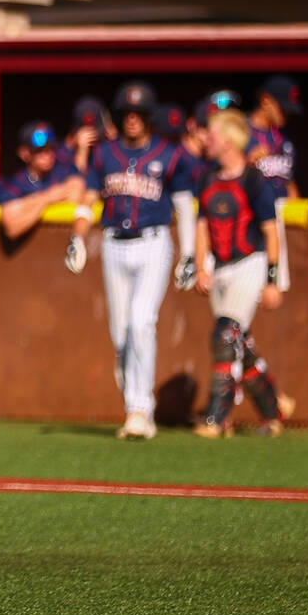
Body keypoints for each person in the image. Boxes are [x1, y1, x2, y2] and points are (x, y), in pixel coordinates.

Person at [64, 79, 197, 440]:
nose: (133, 119)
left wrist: (189, 253)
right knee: (120, 334)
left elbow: (185, 207)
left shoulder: (171, 155)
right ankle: (133, 406)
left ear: (149, 117)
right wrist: (77, 235)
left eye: (139, 114)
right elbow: (90, 196)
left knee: (141, 322)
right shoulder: (105, 154)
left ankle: (141, 409)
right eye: (127, 113)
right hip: (113, 243)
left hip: (154, 242)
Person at [190, 109, 293, 437]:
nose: (207, 140)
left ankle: (217, 419)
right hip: (220, 268)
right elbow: (202, 224)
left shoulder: (253, 180)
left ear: (230, 141)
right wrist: (201, 266)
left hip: (250, 265)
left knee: (224, 336)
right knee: (238, 345)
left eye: (213, 134)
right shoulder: (207, 178)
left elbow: (271, 230)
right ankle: (273, 409)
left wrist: (273, 280)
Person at [0, 121, 82, 240]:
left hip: (60, 244)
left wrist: (27, 205)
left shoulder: (63, 170)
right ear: (24, 153)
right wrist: (47, 198)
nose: (47, 154)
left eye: (51, 149)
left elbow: (76, 193)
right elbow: (12, 228)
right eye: (39, 151)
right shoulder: (17, 182)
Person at [58, 95, 115, 175]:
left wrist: (115, 143)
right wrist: (81, 154)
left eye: (97, 135)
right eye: (89, 136)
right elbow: (76, 184)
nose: (93, 139)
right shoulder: (62, 155)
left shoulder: (105, 146)